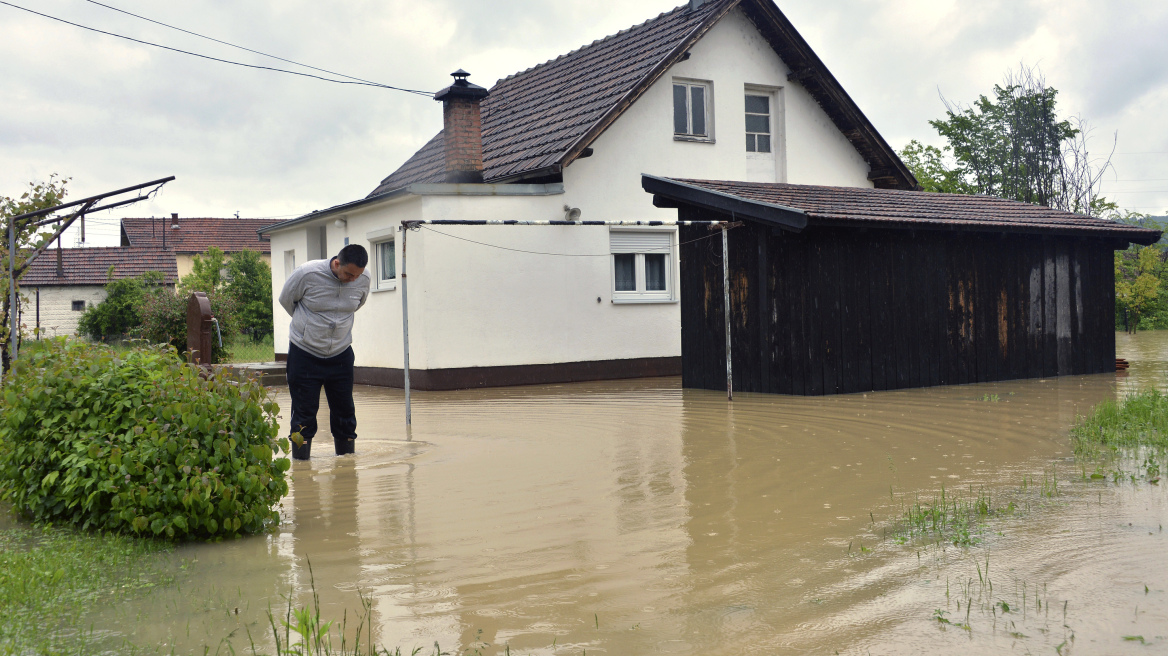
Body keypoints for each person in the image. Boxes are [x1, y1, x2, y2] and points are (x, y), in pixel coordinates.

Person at [279, 243, 372, 459]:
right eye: (349, 274)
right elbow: (286, 300)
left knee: (345, 412)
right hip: (305, 353)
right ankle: (301, 466)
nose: (353, 280)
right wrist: (309, 325)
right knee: (304, 413)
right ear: (337, 263)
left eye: (357, 276)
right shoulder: (307, 273)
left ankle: (346, 465)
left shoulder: (363, 279)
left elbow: (358, 304)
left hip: (340, 354)